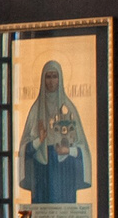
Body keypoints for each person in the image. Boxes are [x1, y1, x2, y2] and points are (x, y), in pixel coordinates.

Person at [18, 60, 89, 207]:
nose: (51, 81)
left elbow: (82, 149)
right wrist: (40, 140)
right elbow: (25, 150)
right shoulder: (35, 110)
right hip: (42, 169)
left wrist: (68, 150)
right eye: (48, 76)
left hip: (65, 168)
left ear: (60, 78)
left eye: (54, 76)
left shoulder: (69, 108)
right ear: (43, 79)